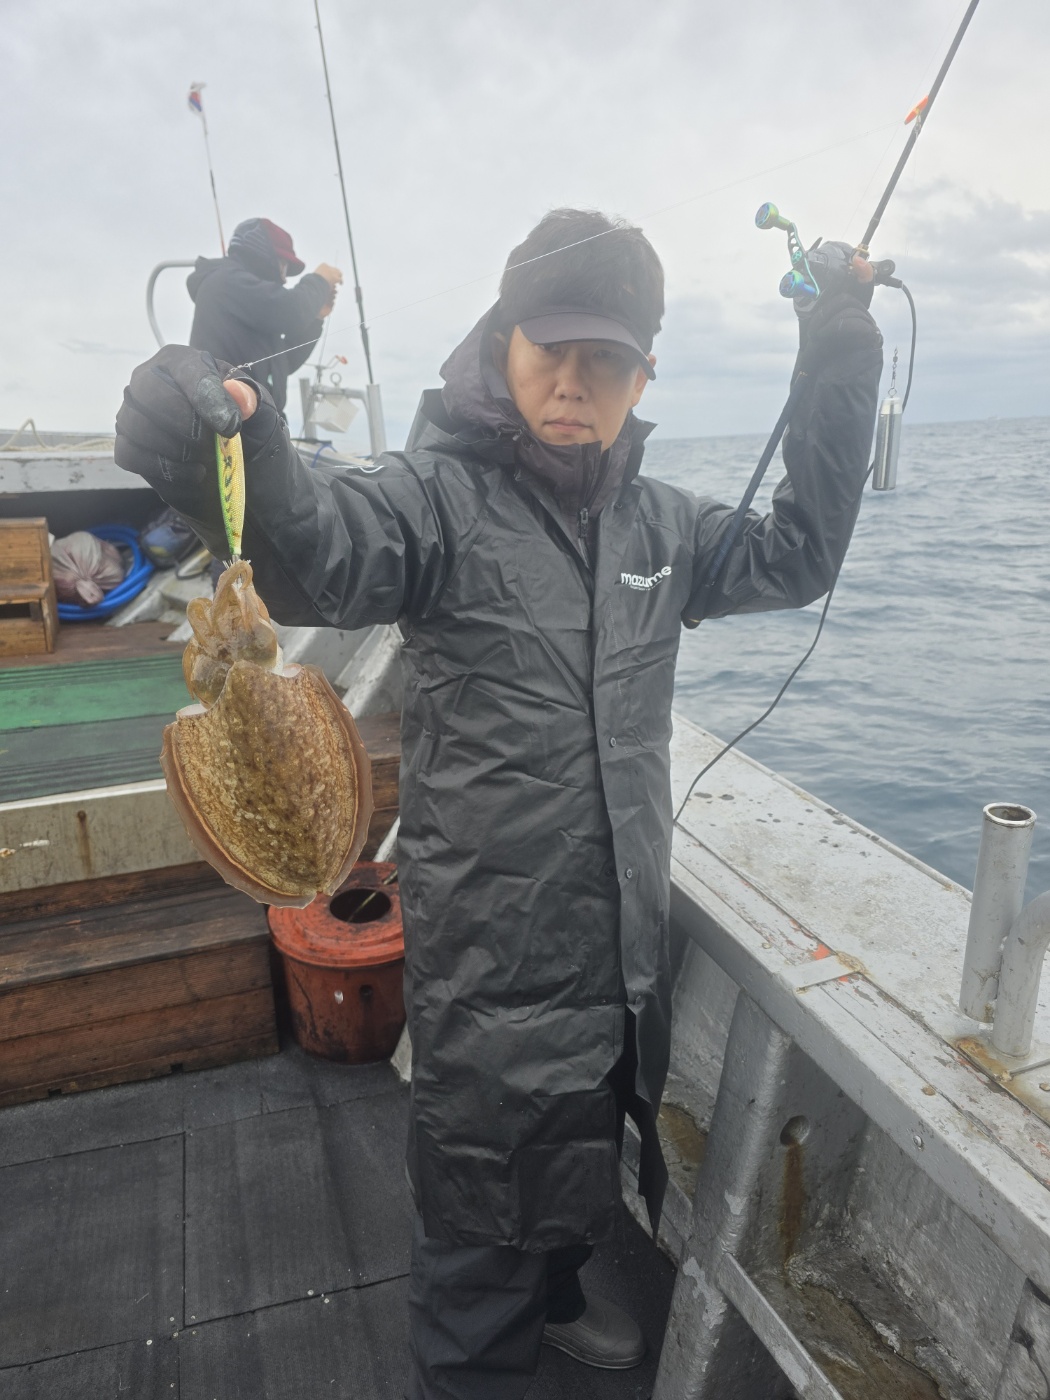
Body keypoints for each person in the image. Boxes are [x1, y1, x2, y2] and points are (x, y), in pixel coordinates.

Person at [114, 207, 882, 1399]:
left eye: (604, 359)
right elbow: (320, 548)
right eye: (548, 348)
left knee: (587, 1149)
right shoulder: (435, 503)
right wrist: (220, 444)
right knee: (477, 1228)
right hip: (491, 967)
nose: (572, 381)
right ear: (500, 342)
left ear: (643, 373)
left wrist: (837, 347)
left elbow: (797, 553)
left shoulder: (665, 527)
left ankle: (560, 1286)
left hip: (619, 953)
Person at [187, 216, 343, 412]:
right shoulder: (226, 282)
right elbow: (292, 310)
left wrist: (316, 319)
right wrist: (320, 280)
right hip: (229, 423)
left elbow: (283, 364)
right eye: (283, 265)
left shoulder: (252, 302)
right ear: (263, 256)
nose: (284, 279)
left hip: (258, 421)